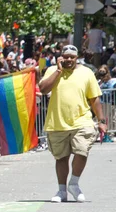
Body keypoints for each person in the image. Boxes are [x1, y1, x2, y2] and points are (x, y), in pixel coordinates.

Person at [39, 45, 107, 203]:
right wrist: (58, 71)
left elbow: (94, 99)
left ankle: (74, 183)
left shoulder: (86, 73)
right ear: (61, 57)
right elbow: (43, 89)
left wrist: (101, 121)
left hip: (82, 120)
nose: (69, 59)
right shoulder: (52, 70)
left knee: (82, 151)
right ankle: (62, 190)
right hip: (57, 122)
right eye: (66, 56)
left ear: (77, 58)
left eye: (72, 57)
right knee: (61, 158)